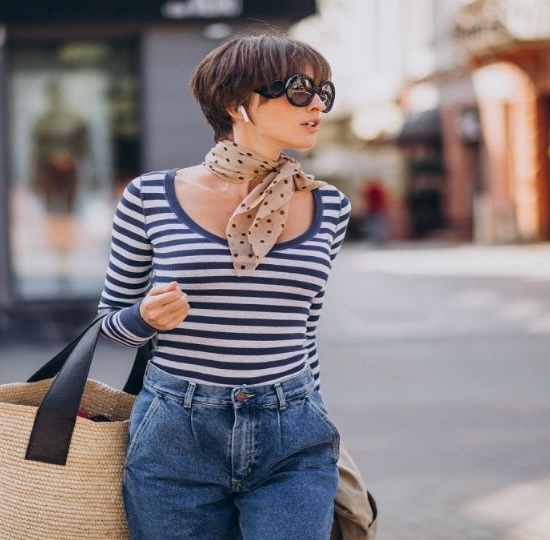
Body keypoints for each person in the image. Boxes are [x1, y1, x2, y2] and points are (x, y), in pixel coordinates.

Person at [96, 30, 351, 539]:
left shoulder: (330, 206)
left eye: (324, 91)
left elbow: (304, 332)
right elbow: (109, 325)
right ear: (238, 103)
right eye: (299, 89)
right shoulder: (151, 196)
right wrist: (144, 318)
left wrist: (318, 418)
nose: (316, 104)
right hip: (176, 430)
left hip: (293, 430)